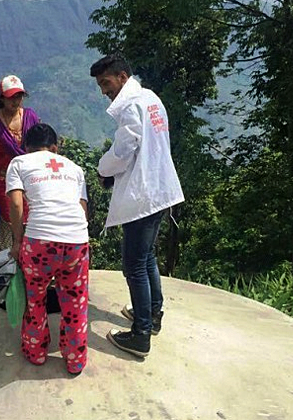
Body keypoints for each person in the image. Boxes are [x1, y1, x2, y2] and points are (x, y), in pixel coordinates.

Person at [90, 54, 184, 358]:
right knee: (147, 257)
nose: (104, 91)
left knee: (134, 266)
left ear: (121, 76)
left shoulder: (132, 106)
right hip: (159, 189)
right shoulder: (150, 98)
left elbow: (123, 150)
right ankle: (153, 315)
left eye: (106, 83)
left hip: (143, 196)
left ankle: (141, 334)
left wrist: (102, 169)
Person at [6, 123, 90, 375]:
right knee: (75, 302)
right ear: (55, 147)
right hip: (76, 240)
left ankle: (36, 352)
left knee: (35, 298)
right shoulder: (74, 168)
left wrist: (18, 242)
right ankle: (75, 359)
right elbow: (82, 206)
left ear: (26, 147)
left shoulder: (19, 163)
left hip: (39, 241)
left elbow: (16, 205)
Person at [0, 75, 40, 250]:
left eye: (19, 96)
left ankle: (30, 266)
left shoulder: (31, 117)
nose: (16, 101)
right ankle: (6, 271)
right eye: (11, 97)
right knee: (5, 228)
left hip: (29, 181)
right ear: (2, 98)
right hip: (0, 184)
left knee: (30, 225)